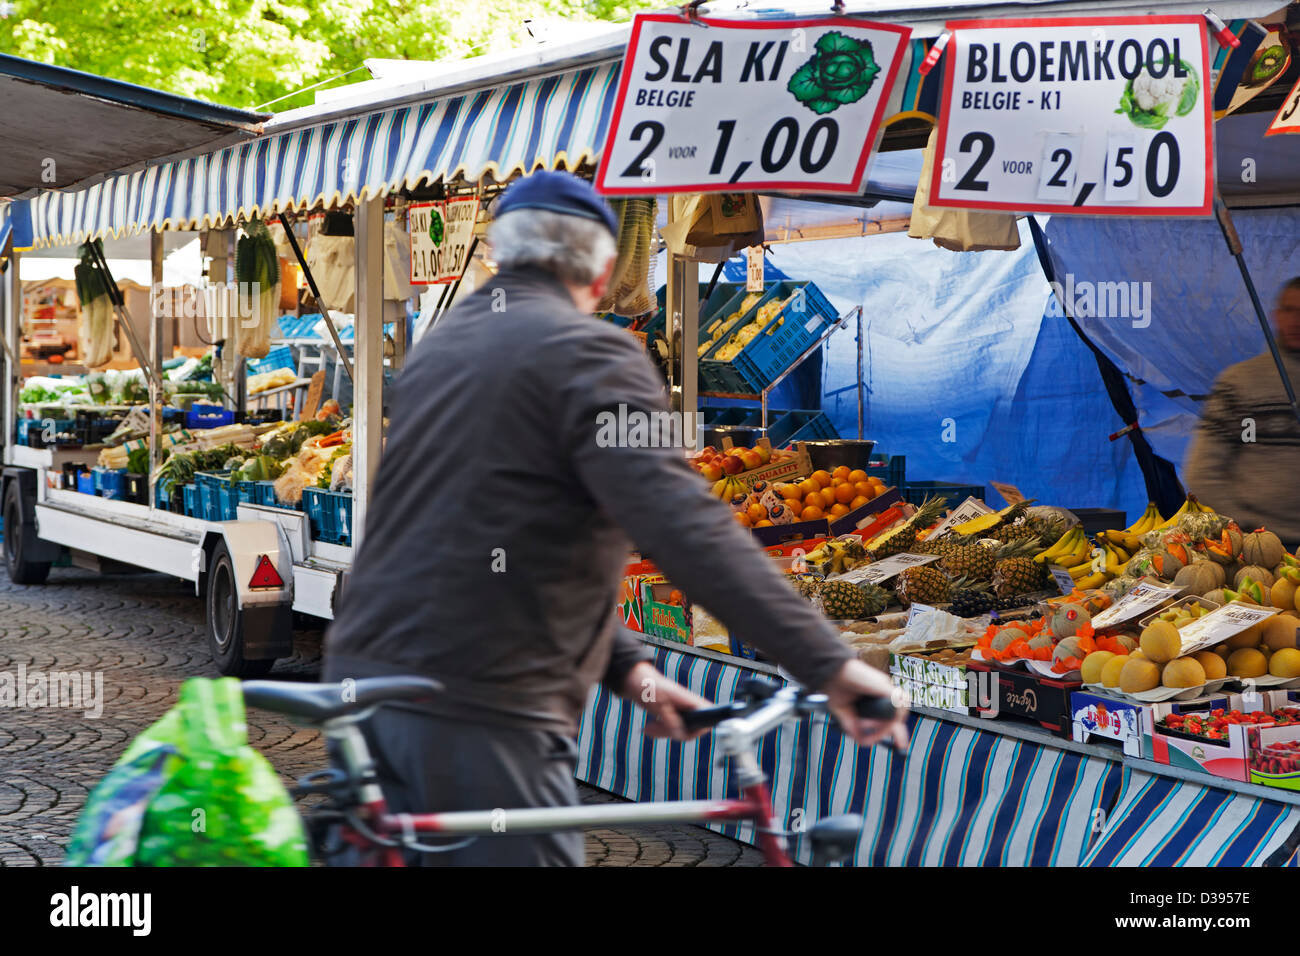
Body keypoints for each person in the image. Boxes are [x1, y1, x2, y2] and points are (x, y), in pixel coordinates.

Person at [322, 170, 907, 866]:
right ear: (602, 271)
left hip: (368, 674)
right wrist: (831, 665)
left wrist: (634, 674)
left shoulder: (440, 352)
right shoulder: (592, 353)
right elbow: (685, 525)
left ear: (501, 253)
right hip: (482, 701)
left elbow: (510, 544)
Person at [1184, 277, 1300, 547]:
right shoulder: (1239, 384)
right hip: (1257, 548)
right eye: (1289, 310)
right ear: (1275, 316)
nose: (1296, 321)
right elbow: (1202, 471)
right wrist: (1244, 525)